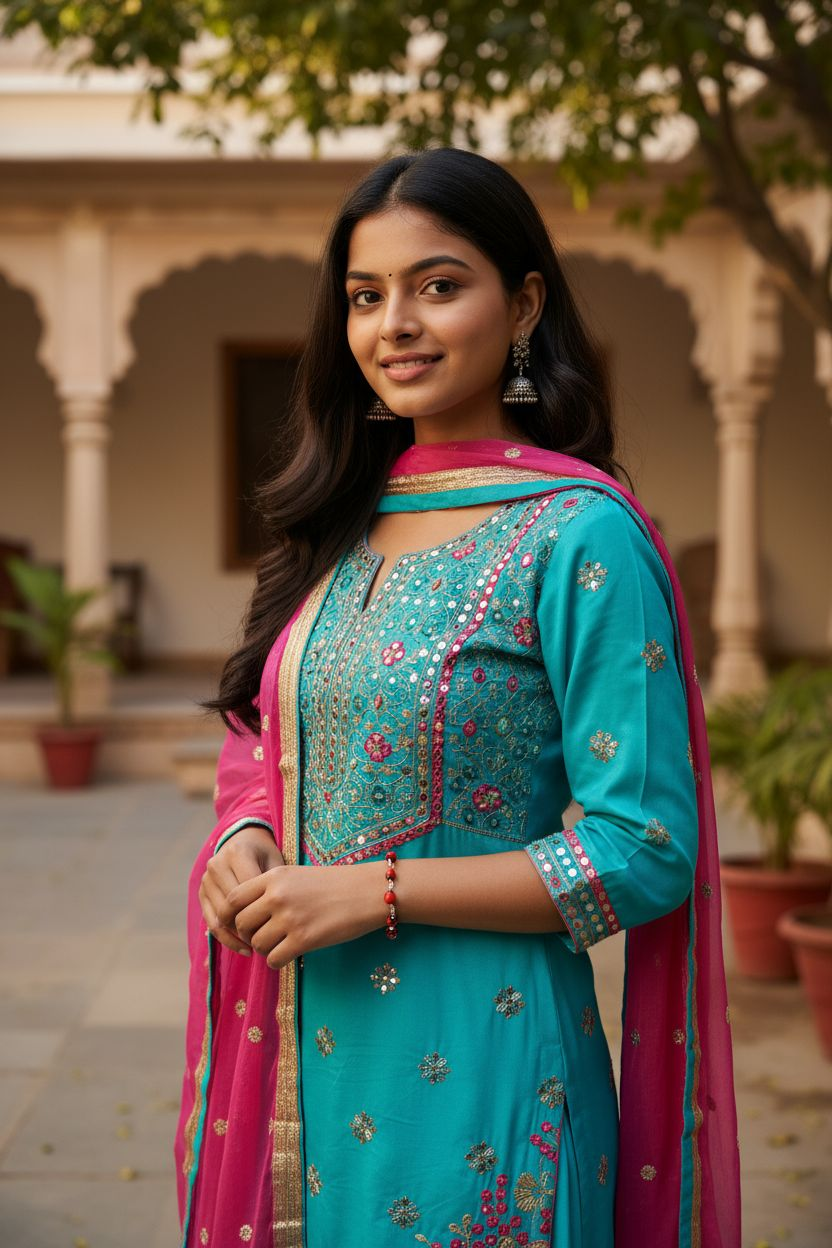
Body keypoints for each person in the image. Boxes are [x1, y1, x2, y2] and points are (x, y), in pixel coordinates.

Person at [175, 147, 740, 1248]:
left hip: (488, 1058)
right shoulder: (334, 521)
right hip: (306, 1041)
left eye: (438, 285)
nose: (396, 324)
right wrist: (243, 837)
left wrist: (377, 890)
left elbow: (645, 847)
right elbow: (263, 740)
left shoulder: (581, 534)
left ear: (524, 301)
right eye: (365, 296)